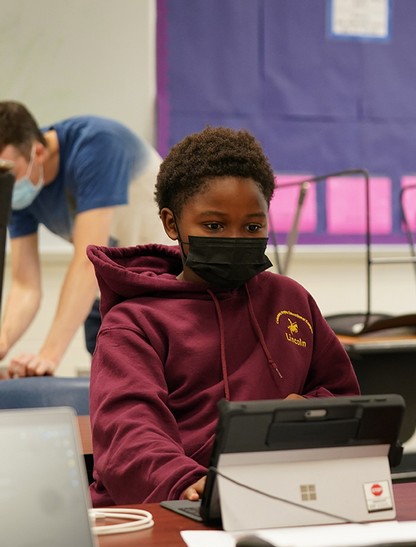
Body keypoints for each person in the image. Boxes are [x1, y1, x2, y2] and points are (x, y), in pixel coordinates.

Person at [87, 126, 360, 505]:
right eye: (213, 226)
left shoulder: (290, 300)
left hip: (273, 496)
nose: (235, 239)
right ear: (171, 224)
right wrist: (185, 482)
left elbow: (344, 398)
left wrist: (311, 412)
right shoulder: (133, 323)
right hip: (170, 504)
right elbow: (128, 434)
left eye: (253, 227)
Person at [0, 101, 169, 377]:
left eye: (9, 172)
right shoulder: (19, 185)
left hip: (162, 282)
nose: (5, 183)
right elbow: (25, 285)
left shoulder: (96, 145)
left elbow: (86, 262)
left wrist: (48, 356)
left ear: (38, 152)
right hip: (107, 287)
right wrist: (4, 341)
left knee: (158, 382)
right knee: (109, 381)